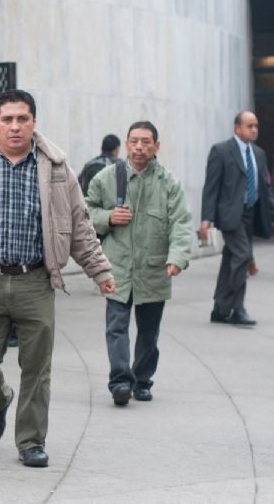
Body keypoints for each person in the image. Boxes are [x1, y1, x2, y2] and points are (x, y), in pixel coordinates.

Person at [0, 90, 114, 468]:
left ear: (34, 123)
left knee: (37, 367)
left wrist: (100, 270)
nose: (15, 126)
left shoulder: (56, 167)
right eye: (8, 119)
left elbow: (78, 223)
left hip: (35, 281)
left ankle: (31, 440)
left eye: (23, 119)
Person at [86, 121, 192, 405]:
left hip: (154, 267)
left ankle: (142, 379)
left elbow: (181, 223)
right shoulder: (107, 178)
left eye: (146, 142)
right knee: (116, 326)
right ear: (126, 143)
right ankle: (120, 381)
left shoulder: (169, 183)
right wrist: (107, 217)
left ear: (156, 146)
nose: (139, 147)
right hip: (117, 266)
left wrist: (177, 258)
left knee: (149, 330)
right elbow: (85, 212)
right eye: (134, 141)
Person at [199, 111, 274, 326]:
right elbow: (211, 187)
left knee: (230, 259)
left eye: (256, 125)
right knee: (243, 255)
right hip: (230, 215)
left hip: (251, 213)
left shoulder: (259, 153)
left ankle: (220, 309)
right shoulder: (221, 151)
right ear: (237, 128)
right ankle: (237, 308)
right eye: (249, 126)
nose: (254, 130)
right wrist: (206, 218)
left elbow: (265, 187)